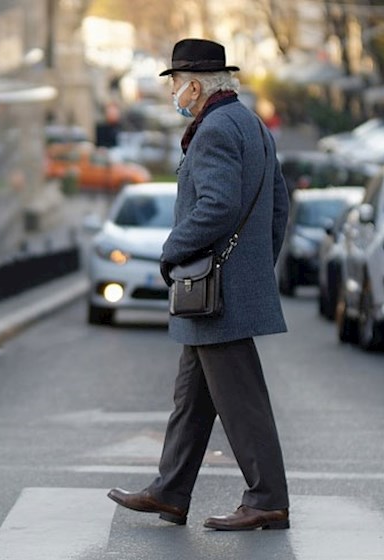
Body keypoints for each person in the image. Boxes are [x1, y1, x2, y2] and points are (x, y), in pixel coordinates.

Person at [107, 38, 291, 531]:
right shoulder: (251, 124)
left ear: (194, 84)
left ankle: (267, 499)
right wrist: (256, 266)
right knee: (192, 398)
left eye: (175, 84)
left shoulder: (212, 130)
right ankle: (170, 491)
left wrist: (173, 251)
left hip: (214, 292)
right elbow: (279, 206)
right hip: (229, 287)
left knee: (242, 401)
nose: (175, 94)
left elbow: (217, 206)